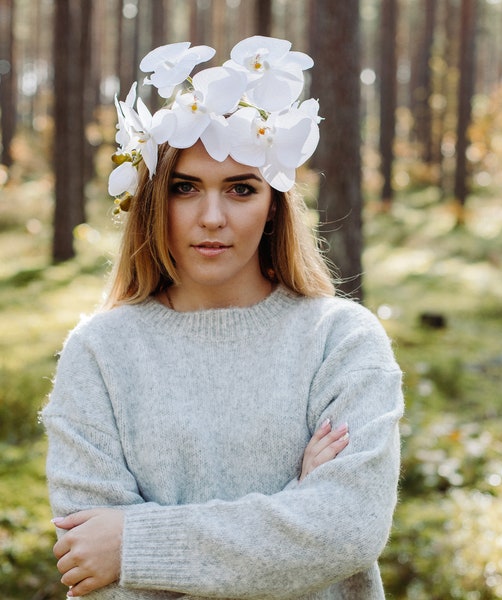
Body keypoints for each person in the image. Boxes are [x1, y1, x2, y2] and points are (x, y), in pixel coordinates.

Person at [41, 36, 404, 599]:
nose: (212, 217)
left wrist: (137, 547)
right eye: (186, 189)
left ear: (274, 205)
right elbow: (91, 559)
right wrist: (293, 505)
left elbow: (348, 529)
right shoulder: (100, 352)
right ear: (154, 201)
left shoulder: (341, 340)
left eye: (241, 189)